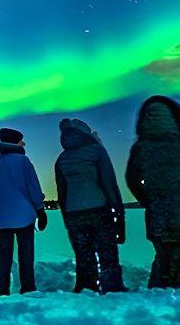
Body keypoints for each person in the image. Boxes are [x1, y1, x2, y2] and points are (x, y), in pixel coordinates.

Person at [125, 95, 180, 290]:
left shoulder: (141, 149)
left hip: (159, 216)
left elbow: (133, 181)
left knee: (163, 260)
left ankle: (159, 301)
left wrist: (151, 201)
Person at [54, 118, 126, 293]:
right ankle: (112, 286)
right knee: (107, 251)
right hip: (99, 209)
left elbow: (62, 193)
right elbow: (109, 184)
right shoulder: (97, 152)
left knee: (83, 253)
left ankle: (86, 286)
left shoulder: (62, 159)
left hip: (73, 212)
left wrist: (66, 216)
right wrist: (118, 211)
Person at [0, 127, 47, 295]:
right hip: (23, 217)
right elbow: (33, 187)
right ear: (15, 143)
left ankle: (1, 290)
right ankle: (28, 288)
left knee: (3, 257)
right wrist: (40, 210)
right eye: (21, 140)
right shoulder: (22, 161)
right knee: (26, 255)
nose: (24, 143)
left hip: (1, 219)